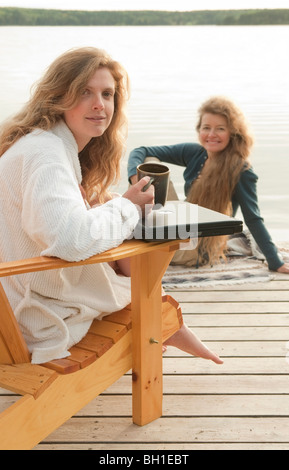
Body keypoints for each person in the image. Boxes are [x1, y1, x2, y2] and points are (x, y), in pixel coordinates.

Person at [0, 47, 222, 366]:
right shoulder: (46, 156)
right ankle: (166, 325)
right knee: (139, 257)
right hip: (35, 320)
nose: (99, 105)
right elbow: (69, 240)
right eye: (85, 92)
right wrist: (128, 205)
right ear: (57, 96)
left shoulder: (41, 144)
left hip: (17, 298)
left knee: (122, 233)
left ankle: (168, 324)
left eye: (107, 94)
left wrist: (106, 205)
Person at [128, 96, 289, 274]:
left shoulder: (241, 171)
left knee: (134, 244)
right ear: (199, 130)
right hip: (182, 227)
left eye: (220, 129)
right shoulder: (195, 153)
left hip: (199, 249)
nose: (211, 135)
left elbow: (253, 218)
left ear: (233, 132)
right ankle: (146, 225)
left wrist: (275, 261)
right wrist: (135, 178)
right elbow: (141, 150)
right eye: (206, 128)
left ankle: (147, 232)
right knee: (150, 162)